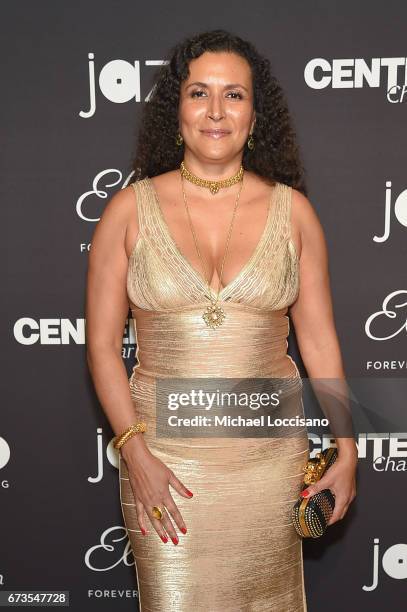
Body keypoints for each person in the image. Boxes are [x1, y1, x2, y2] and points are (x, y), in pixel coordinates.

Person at [86, 29, 357, 611]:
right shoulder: (129, 211)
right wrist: (135, 454)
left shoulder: (295, 213)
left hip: (268, 465)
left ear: (256, 114)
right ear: (175, 109)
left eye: (234, 95)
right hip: (164, 466)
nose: (215, 111)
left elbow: (318, 341)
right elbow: (103, 346)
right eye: (198, 93)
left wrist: (346, 445)